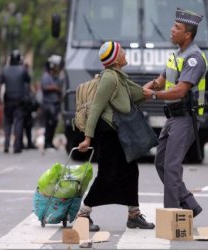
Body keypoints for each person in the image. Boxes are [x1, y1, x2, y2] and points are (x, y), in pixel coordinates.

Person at [77, 41, 155, 232]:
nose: (125, 53)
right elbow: (96, 107)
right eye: (122, 51)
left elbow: (137, 94)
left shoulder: (120, 78)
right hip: (108, 133)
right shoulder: (110, 78)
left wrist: (157, 85)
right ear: (116, 59)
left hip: (118, 133)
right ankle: (83, 215)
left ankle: (134, 215)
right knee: (106, 174)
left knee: (131, 170)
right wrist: (88, 138)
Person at [142, 8, 205, 216]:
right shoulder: (175, 56)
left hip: (185, 118)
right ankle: (190, 204)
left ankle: (172, 214)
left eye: (177, 28)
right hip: (172, 118)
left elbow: (180, 90)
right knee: (160, 162)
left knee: (171, 167)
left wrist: (152, 96)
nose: (171, 30)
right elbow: (159, 82)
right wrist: (140, 91)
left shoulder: (194, 58)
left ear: (187, 34)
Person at [0, 50, 30, 153]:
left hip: (8, 99)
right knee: (18, 122)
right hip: (19, 101)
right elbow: (28, 81)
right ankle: (17, 146)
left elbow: (0, 83)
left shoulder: (5, 70)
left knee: (8, 122)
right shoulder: (23, 70)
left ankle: (6, 144)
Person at [41, 54, 62, 149]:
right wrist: (55, 88)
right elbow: (44, 87)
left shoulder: (54, 77)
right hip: (48, 104)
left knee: (53, 124)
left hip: (55, 104)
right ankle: (47, 143)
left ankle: (50, 142)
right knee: (49, 124)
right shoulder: (46, 76)